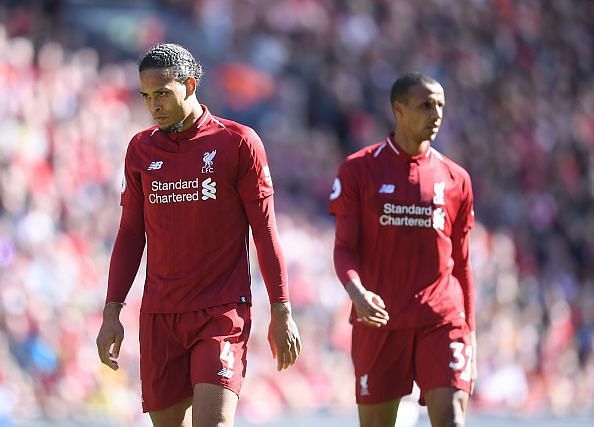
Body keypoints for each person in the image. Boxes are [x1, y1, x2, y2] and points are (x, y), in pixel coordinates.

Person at [96, 43, 301, 427]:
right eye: (146, 96)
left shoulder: (237, 143)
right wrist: (112, 313)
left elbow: (265, 229)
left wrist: (281, 309)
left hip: (220, 310)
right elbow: (129, 235)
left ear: (189, 85)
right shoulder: (140, 150)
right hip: (160, 314)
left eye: (162, 94)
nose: (153, 105)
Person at [329, 72, 477, 427]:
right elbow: (344, 249)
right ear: (399, 109)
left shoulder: (456, 179)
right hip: (379, 320)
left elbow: (463, 264)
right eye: (426, 105)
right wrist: (357, 293)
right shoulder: (359, 170)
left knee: (451, 419)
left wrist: (470, 329)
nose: (436, 113)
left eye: (440, 105)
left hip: (441, 319)